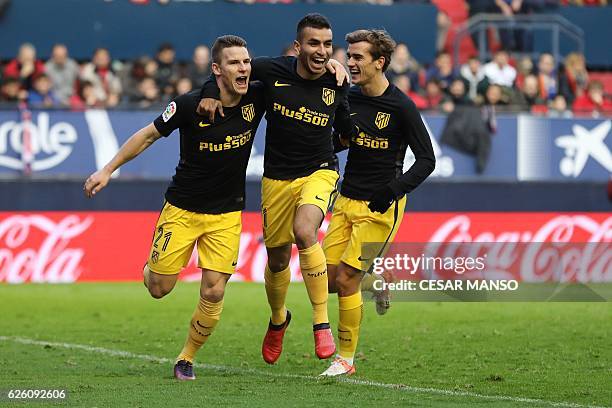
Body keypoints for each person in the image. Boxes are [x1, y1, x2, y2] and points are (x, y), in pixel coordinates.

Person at [83, 35, 265, 381]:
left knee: (214, 289)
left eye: (246, 62)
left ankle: (186, 357)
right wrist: (107, 169)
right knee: (158, 289)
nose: (243, 68)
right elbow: (148, 135)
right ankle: (151, 267)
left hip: (227, 214)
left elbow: (295, 78)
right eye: (234, 63)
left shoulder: (256, 97)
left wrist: (332, 64)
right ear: (216, 70)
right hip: (182, 209)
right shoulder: (189, 105)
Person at [198, 13, 351, 365]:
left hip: (320, 171)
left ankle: (321, 323)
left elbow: (343, 128)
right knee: (278, 259)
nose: (322, 50)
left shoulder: (336, 81)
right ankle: (279, 318)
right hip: (277, 179)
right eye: (314, 43)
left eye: (328, 44)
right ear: (298, 46)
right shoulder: (269, 70)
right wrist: (208, 92)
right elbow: (228, 76)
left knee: (305, 230)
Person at [321, 29, 435, 377]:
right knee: (327, 280)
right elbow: (342, 141)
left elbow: (427, 160)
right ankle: (377, 283)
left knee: (346, 279)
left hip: (380, 207)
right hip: (346, 199)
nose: (350, 62)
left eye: (357, 57)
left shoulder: (401, 106)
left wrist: (395, 189)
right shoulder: (350, 98)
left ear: (379, 62)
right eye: (349, 55)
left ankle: (346, 360)